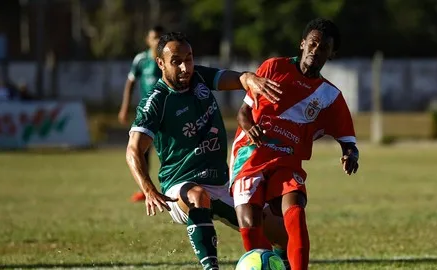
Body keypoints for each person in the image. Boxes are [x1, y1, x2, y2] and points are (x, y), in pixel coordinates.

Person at [125, 32, 288, 270]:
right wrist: (148, 189)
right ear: (160, 63)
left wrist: (250, 79)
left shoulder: (200, 76)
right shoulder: (155, 101)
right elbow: (133, 150)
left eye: (189, 59)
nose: (185, 67)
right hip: (179, 186)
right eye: (176, 61)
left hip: (221, 184)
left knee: (280, 231)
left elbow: (237, 79)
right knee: (198, 195)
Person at [229, 18, 360, 270]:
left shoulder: (329, 96)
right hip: (250, 155)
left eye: (323, 48)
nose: (315, 50)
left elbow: (348, 141)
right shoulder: (273, 67)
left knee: (296, 210)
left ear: (331, 54)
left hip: (286, 161)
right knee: (249, 220)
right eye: (312, 44)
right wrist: (250, 128)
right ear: (302, 44)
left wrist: (350, 154)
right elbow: (242, 113)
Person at [118, 25, 165, 202]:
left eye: (160, 37)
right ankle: (145, 189)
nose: (157, 41)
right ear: (148, 40)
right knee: (142, 150)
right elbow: (130, 83)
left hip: (166, 109)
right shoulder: (141, 59)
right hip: (146, 112)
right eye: (154, 38)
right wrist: (124, 108)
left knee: (167, 148)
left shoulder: (167, 58)